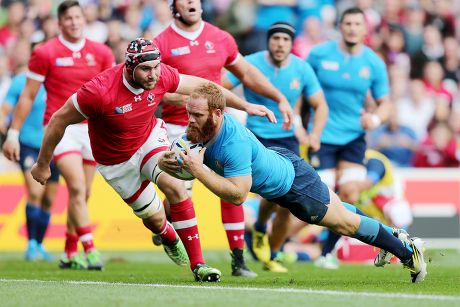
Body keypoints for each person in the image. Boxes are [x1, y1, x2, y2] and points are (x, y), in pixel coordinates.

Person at [30, 38, 275, 282]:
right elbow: (58, 120)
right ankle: (166, 235)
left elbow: (205, 88)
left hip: (149, 140)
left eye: (156, 66)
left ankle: (199, 265)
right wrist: (43, 163)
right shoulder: (98, 91)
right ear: (129, 67)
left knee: (176, 186)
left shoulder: (162, 75)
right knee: (156, 219)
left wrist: (244, 105)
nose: (153, 74)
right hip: (116, 163)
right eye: (146, 69)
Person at [158, 83, 428, 284]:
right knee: (342, 212)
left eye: (197, 115)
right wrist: (164, 163)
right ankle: (392, 236)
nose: (190, 120)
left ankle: (408, 253)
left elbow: (238, 196)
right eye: (189, 113)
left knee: (345, 223)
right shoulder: (201, 127)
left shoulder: (232, 142)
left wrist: (197, 168)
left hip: (294, 188)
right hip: (283, 165)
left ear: (217, 114)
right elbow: (180, 155)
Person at [153, 0, 293, 277]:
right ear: (174, 6)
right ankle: (162, 221)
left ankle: (238, 260)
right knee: (179, 192)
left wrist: (277, 97)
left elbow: (248, 73)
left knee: (233, 185)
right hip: (180, 127)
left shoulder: (220, 38)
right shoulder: (161, 42)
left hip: (220, 129)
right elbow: (161, 90)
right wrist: (196, 105)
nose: (191, 2)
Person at [2, 1, 115, 270]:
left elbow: (110, 92)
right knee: (75, 186)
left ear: (83, 20)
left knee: (84, 194)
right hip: (60, 129)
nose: (75, 22)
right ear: (60, 22)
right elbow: (28, 96)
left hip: (92, 129)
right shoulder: (45, 52)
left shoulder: (100, 52)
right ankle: (90, 249)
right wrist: (13, 133)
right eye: (69, 18)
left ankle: (68, 251)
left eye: (78, 17)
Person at [222, 22, 328, 272]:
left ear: (292, 43)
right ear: (269, 41)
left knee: (287, 204)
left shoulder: (302, 69)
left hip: (288, 139)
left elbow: (320, 104)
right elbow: (218, 88)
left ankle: (272, 251)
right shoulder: (250, 63)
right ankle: (259, 233)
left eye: (285, 39)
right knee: (271, 194)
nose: (280, 44)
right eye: (275, 38)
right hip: (256, 138)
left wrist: (315, 134)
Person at [306, 7, 392, 268]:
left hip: (353, 137)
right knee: (319, 199)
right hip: (322, 135)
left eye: (358, 24)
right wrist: (302, 126)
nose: (353, 28)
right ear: (340, 27)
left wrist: (374, 119)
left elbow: (386, 103)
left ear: (365, 29)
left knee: (350, 194)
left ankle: (325, 253)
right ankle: (274, 246)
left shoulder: (373, 62)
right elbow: (301, 90)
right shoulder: (319, 54)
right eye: (348, 23)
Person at [0, 41, 59, 262]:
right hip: (28, 144)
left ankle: (40, 244)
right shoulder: (20, 82)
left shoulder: (56, 81)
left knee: (49, 199)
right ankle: (31, 244)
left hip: (52, 146)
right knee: (35, 192)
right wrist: (5, 127)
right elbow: (5, 107)